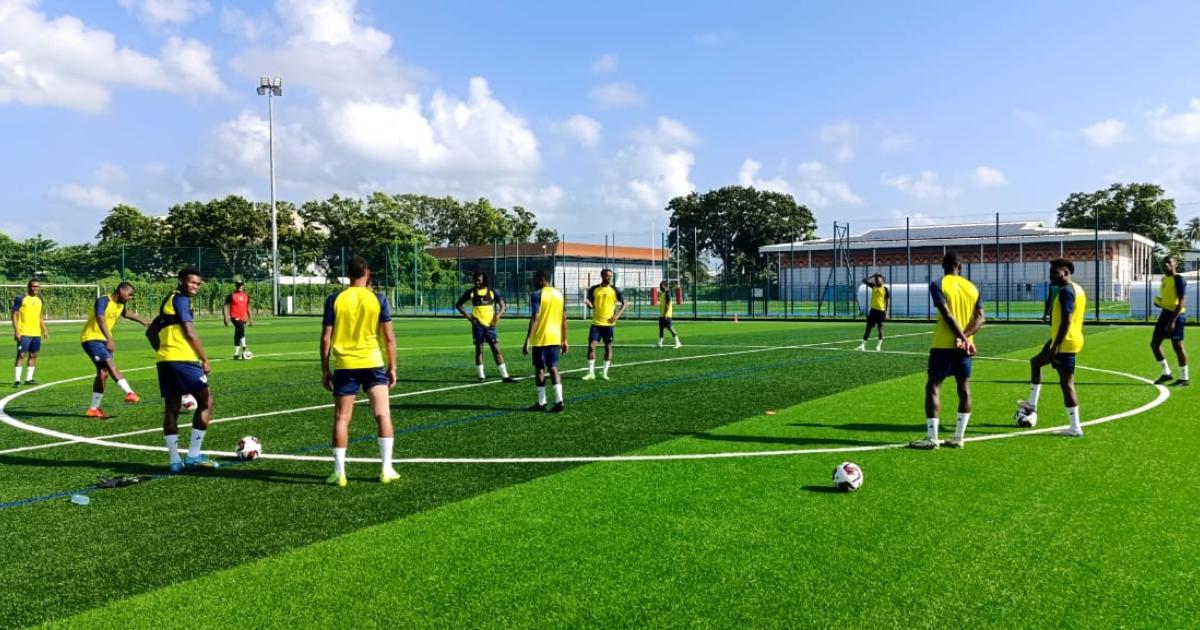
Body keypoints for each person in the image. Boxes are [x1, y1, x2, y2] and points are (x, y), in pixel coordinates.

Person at [321, 256, 399, 487]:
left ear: (348, 274)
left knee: (342, 418)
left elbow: (326, 337)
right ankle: (386, 469)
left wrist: (325, 368)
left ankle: (339, 473)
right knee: (383, 415)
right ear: (367, 273)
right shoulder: (378, 299)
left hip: (345, 365)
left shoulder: (335, 299)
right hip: (373, 363)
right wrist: (393, 366)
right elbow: (389, 337)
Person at [910, 252, 986, 450]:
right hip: (964, 349)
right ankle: (958, 437)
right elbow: (980, 318)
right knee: (964, 388)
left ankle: (932, 438)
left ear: (943, 264)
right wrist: (967, 339)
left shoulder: (938, 284)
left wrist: (960, 338)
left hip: (943, 345)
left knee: (933, 387)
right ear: (960, 266)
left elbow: (948, 315)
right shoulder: (972, 287)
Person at [156, 268, 218, 472]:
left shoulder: (168, 300)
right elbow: (190, 332)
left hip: (165, 361)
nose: (195, 287)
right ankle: (193, 456)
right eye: (192, 282)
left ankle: (174, 461)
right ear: (181, 281)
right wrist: (204, 358)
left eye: (198, 284)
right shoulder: (182, 300)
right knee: (206, 401)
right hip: (184, 359)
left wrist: (164, 351)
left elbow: (151, 331)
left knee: (172, 408)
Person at [1016, 259, 1087, 437]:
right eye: (1050, 272)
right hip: (1067, 340)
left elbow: (1067, 321)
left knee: (1067, 384)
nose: (1051, 276)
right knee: (1036, 362)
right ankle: (1031, 405)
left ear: (1066, 273)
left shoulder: (1066, 292)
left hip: (1065, 344)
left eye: (1055, 272)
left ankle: (1075, 427)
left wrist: (1055, 346)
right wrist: (1052, 341)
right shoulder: (1077, 289)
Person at [80, 282, 150, 418]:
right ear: (121, 290)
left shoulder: (121, 304)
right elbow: (100, 319)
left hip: (104, 340)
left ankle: (93, 409)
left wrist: (144, 321)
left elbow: (126, 313)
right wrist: (110, 338)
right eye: (130, 295)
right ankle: (129, 392)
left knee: (103, 373)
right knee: (109, 362)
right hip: (91, 338)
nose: (130, 298)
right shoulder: (103, 300)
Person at [455, 271, 515, 382]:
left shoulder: (492, 292)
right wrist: (469, 318)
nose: (476, 282)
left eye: (479, 280)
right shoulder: (471, 292)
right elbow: (458, 305)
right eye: (475, 280)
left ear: (484, 281)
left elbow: (503, 306)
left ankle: (505, 376)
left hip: (490, 326)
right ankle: (481, 376)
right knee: (479, 350)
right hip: (478, 326)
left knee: (496, 350)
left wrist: (497, 317)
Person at [523, 270, 568, 412]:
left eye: (536, 278)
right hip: (555, 337)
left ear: (542, 279)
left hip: (542, 337)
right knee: (554, 368)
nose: (534, 281)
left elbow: (535, 318)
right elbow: (564, 318)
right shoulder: (559, 294)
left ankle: (542, 403)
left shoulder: (537, 294)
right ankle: (559, 401)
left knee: (540, 369)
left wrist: (528, 340)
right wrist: (564, 339)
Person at [1150, 254, 1189, 387]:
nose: (1166, 265)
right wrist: (1160, 302)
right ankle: (1166, 373)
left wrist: (1172, 320)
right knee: (1155, 344)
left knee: (1177, 346)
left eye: (1169, 262)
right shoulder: (1164, 280)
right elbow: (1169, 299)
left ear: (1175, 264)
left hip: (1177, 316)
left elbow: (1181, 302)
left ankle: (1184, 378)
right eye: (1164, 262)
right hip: (1165, 314)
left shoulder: (1179, 279)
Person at [582, 268, 626, 380]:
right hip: (596, 324)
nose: (609, 278)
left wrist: (616, 316)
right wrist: (589, 305)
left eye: (610, 276)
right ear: (602, 276)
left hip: (609, 325)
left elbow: (625, 304)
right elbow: (592, 305)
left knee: (608, 347)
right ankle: (591, 373)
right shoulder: (594, 289)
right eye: (607, 276)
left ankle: (604, 372)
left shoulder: (615, 290)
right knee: (591, 346)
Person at [11, 279, 49, 387]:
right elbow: (14, 315)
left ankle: (29, 379)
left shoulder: (40, 299)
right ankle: (17, 380)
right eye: (33, 286)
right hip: (24, 332)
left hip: (36, 333)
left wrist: (44, 329)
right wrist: (17, 331)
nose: (35, 288)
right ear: (29, 287)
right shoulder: (21, 298)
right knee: (21, 354)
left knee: (33, 355)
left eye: (37, 286)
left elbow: (39, 316)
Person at [856, 273, 890, 352]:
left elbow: (887, 302)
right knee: (868, 328)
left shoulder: (885, 289)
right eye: (875, 280)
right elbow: (864, 280)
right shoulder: (873, 286)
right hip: (873, 311)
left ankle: (878, 346)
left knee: (880, 329)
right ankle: (862, 345)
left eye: (878, 279)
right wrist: (872, 276)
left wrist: (887, 312)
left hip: (881, 312)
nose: (876, 281)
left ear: (882, 280)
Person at [223, 281, 254, 360]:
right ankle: (244, 347)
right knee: (241, 328)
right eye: (238, 285)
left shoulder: (246, 296)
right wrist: (226, 317)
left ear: (243, 286)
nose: (239, 286)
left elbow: (248, 307)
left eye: (241, 285)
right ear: (236, 286)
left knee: (238, 333)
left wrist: (251, 319)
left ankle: (236, 353)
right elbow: (226, 306)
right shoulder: (231, 295)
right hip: (234, 316)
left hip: (243, 317)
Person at [656, 280, 681, 349]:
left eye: (661, 285)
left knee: (670, 328)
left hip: (667, 314)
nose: (660, 287)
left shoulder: (668, 293)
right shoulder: (663, 293)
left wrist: (665, 314)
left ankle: (677, 342)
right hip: (662, 314)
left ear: (665, 286)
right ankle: (660, 343)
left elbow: (668, 304)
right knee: (661, 329)